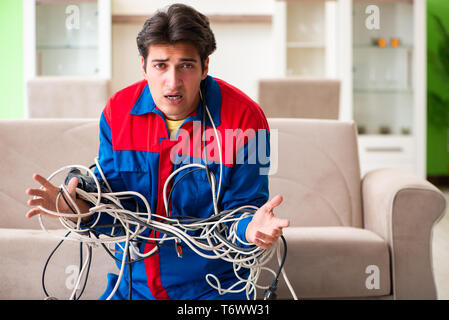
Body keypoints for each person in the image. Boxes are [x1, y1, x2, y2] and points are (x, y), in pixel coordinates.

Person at [25, 3, 289, 300]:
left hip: (215, 290)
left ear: (205, 67)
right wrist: (78, 210)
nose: (173, 81)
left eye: (186, 66)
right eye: (161, 65)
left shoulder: (246, 119)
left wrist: (250, 229)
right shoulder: (118, 113)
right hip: (134, 288)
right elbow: (114, 212)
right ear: (144, 66)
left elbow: (243, 212)